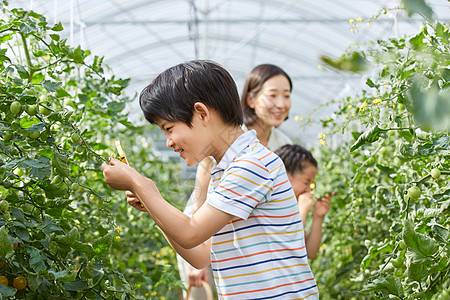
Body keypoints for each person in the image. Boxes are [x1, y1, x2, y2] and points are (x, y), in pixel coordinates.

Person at [102, 60, 319, 299]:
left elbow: (190, 233)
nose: (169, 142)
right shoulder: (225, 171)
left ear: (202, 113)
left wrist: (140, 185)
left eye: (169, 128)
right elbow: (201, 253)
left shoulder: (252, 165)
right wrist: (149, 202)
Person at [181, 64, 294, 297]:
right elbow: (203, 187)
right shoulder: (230, 135)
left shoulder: (284, 145)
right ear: (250, 99)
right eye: (273, 95)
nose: (281, 104)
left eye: (287, 95)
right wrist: (197, 257)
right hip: (207, 224)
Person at [274, 144, 333, 259]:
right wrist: (303, 211)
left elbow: (310, 253)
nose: (308, 190)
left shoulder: (291, 207)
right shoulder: (271, 206)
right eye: (307, 182)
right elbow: (286, 244)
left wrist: (318, 216)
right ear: (285, 174)